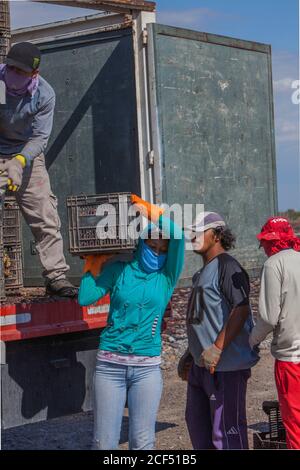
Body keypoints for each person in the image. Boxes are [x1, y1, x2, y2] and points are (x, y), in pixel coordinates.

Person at [78, 195, 185, 450]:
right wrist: (93, 264)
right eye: (152, 244)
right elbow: (85, 298)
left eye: (162, 249)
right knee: (104, 444)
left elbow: (178, 235)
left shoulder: (167, 277)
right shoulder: (119, 270)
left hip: (147, 369)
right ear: (141, 241)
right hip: (109, 368)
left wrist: (150, 212)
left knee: (142, 441)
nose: (157, 251)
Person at [0, 42, 76, 297]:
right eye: (10, 68)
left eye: (20, 72)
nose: (13, 75)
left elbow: (40, 138)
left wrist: (19, 161)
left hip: (28, 154)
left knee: (44, 215)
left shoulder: (43, 95)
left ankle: (55, 277)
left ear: (34, 74)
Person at [178, 212, 259, 450]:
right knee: (198, 427)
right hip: (202, 365)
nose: (193, 237)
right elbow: (205, 319)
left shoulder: (227, 265)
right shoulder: (202, 273)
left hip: (225, 366)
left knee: (226, 433)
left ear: (216, 235)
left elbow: (241, 308)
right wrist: (190, 353)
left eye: (199, 232)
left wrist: (217, 347)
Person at [249, 217, 300, 450]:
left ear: (273, 242)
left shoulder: (273, 264)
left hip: (291, 358)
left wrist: (252, 339)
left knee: (295, 424)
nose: (265, 248)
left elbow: (269, 318)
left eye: (266, 243)